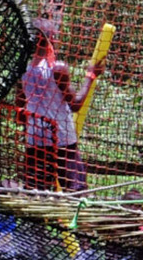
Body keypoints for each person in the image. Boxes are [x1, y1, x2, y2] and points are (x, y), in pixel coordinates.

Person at [17, 18, 97, 192]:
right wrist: (90, 77)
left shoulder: (23, 69)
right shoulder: (57, 68)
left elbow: (20, 106)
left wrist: (29, 129)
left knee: (36, 191)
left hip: (35, 141)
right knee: (76, 190)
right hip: (62, 140)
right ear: (50, 38)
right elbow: (75, 104)